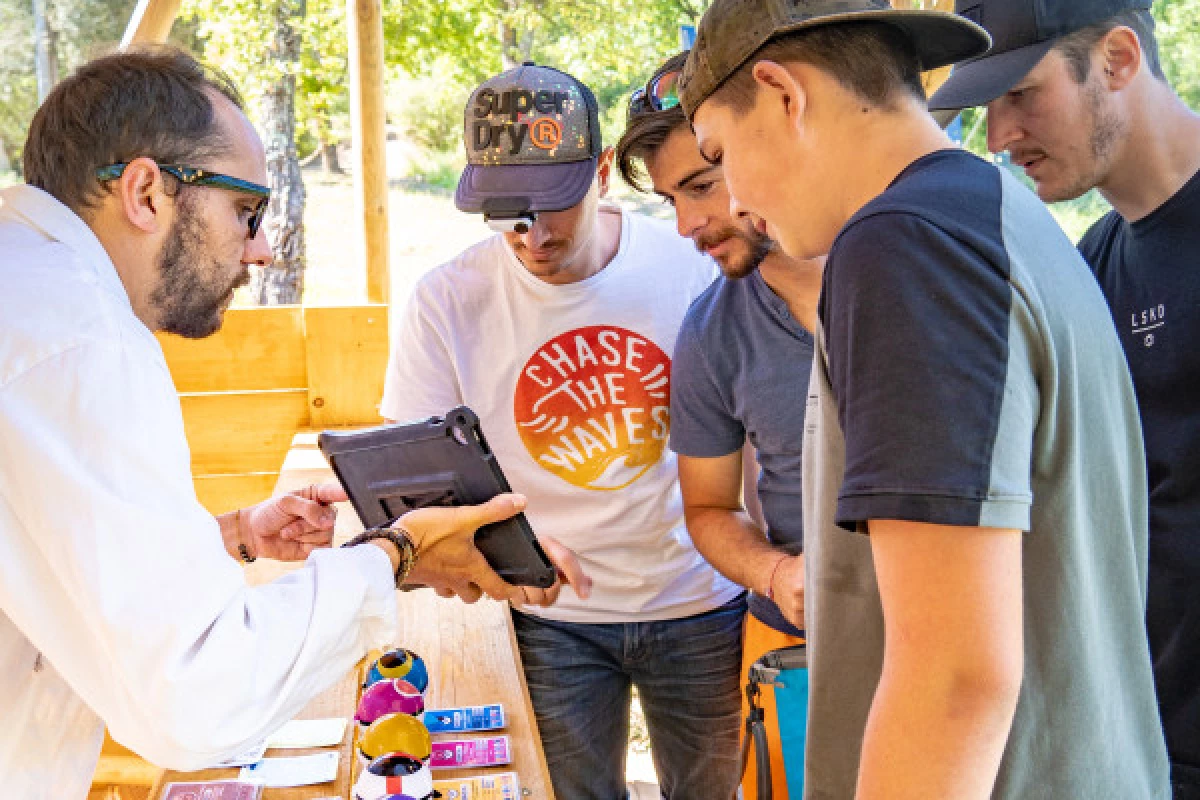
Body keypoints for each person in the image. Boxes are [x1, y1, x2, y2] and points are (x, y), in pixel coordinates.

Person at [0, 48, 580, 799]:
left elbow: (49, 554)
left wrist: (234, 533)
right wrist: (394, 557)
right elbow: (198, 698)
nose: (264, 249)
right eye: (247, 210)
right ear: (146, 191)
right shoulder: (83, 340)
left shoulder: (30, 293)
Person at [679, 1, 1170, 797]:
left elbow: (954, 677)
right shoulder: (999, 212)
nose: (732, 200)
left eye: (720, 152)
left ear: (781, 93)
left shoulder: (905, 243)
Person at [380, 62, 745, 800]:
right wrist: (498, 555)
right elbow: (416, 486)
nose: (533, 234)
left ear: (602, 172)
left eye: (554, 205)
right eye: (506, 210)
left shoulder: (692, 263)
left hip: (700, 600)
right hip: (550, 616)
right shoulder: (448, 300)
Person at [929, 3, 1200, 794]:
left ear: (1117, 59)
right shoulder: (1090, 263)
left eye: (1020, 94)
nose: (999, 137)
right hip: (1146, 733)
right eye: (985, 109)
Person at [616, 50, 823, 799]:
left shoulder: (909, 272)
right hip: (793, 642)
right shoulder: (710, 331)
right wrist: (777, 573)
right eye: (672, 199)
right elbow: (707, 507)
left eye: (703, 184)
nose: (687, 224)